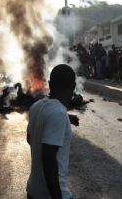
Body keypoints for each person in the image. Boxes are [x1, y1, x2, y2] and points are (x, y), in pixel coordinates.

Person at [26, 64, 76, 199]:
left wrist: (67, 119)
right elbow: (48, 158)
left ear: (50, 84)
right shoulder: (58, 112)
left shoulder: (36, 106)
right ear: (73, 87)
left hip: (32, 191)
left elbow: (29, 139)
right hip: (50, 194)